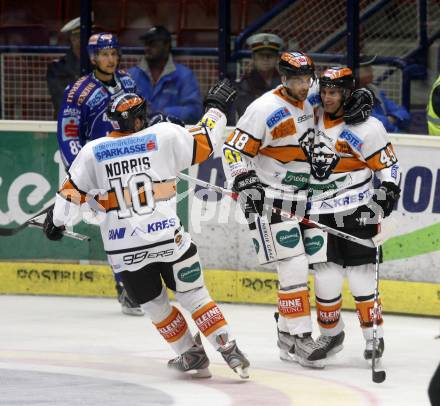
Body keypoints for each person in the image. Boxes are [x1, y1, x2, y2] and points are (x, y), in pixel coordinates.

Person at [43, 80, 250, 379]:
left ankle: (189, 354)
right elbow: (206, 139)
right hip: (170, 240)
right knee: (196, 297)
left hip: (125, 252)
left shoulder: (93, 152)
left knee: (155, 305)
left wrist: (55, 223)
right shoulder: (163, 135)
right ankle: (230, 350)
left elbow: (67, 202)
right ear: (139, 118)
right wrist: (216, 108)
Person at [222, 51, 327, 368]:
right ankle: (300, 338)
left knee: (313, 262)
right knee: (292, 265)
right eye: (296, 79)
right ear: (283, 78)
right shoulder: (264, 109)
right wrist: (246, 182)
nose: (303, 84)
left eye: (307, 78)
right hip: (269, 197)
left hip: (303, 196)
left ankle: (285, 334)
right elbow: (233, 150)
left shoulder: (311, 99)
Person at [300, 67, 401, 362]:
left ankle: (373, 336)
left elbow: (390, 168)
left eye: (334, 92)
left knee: (361, 278)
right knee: (326, 279)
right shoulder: (310, 117)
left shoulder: (368, 128)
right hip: (318, 214)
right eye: (325, 91)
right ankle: (331, 335)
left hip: (357, 212)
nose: (327, 97)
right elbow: (290, 97)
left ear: (346, 93)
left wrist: (384, 198)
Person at [57, 32, 142, 316]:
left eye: (114, 53)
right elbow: (69, 134)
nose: (110, 59)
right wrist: (80, 174)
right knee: (115, 228)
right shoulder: (78, 92)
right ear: (93, 57)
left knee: (139, 224)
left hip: (129, 165)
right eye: (104, 54)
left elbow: (140, 119)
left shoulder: (128, 83)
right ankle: (126, 287)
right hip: (98, 171)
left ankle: (138, 282)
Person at [128, 26, 203, 124]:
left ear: (167, 45)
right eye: (146, 44)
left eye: (152, 44)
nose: (147, 48)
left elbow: (194, 111)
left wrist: (162, 113)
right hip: (140, 135)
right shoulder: (131, 75)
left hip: (171, 134)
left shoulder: (185, 76)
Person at [233, 33, 284, 119]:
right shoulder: (243, 86)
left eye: (270, 55)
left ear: (277, 58)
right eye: (261, 55)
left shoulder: (285, 84)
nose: (265, 59)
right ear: (253, 57)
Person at [358, 55, 410, 133]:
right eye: (367, 68)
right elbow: (373, 123)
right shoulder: (349, 96)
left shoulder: (374, 90)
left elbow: (403, 113)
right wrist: (392, 122)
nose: (372, 70)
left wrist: (394, 118)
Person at [46, 17, 81, 116]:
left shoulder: (98, 67)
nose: (81, 41)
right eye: (78, 37)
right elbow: (60, 100)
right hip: (66, 120)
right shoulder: (57, 68)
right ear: (72, 39)